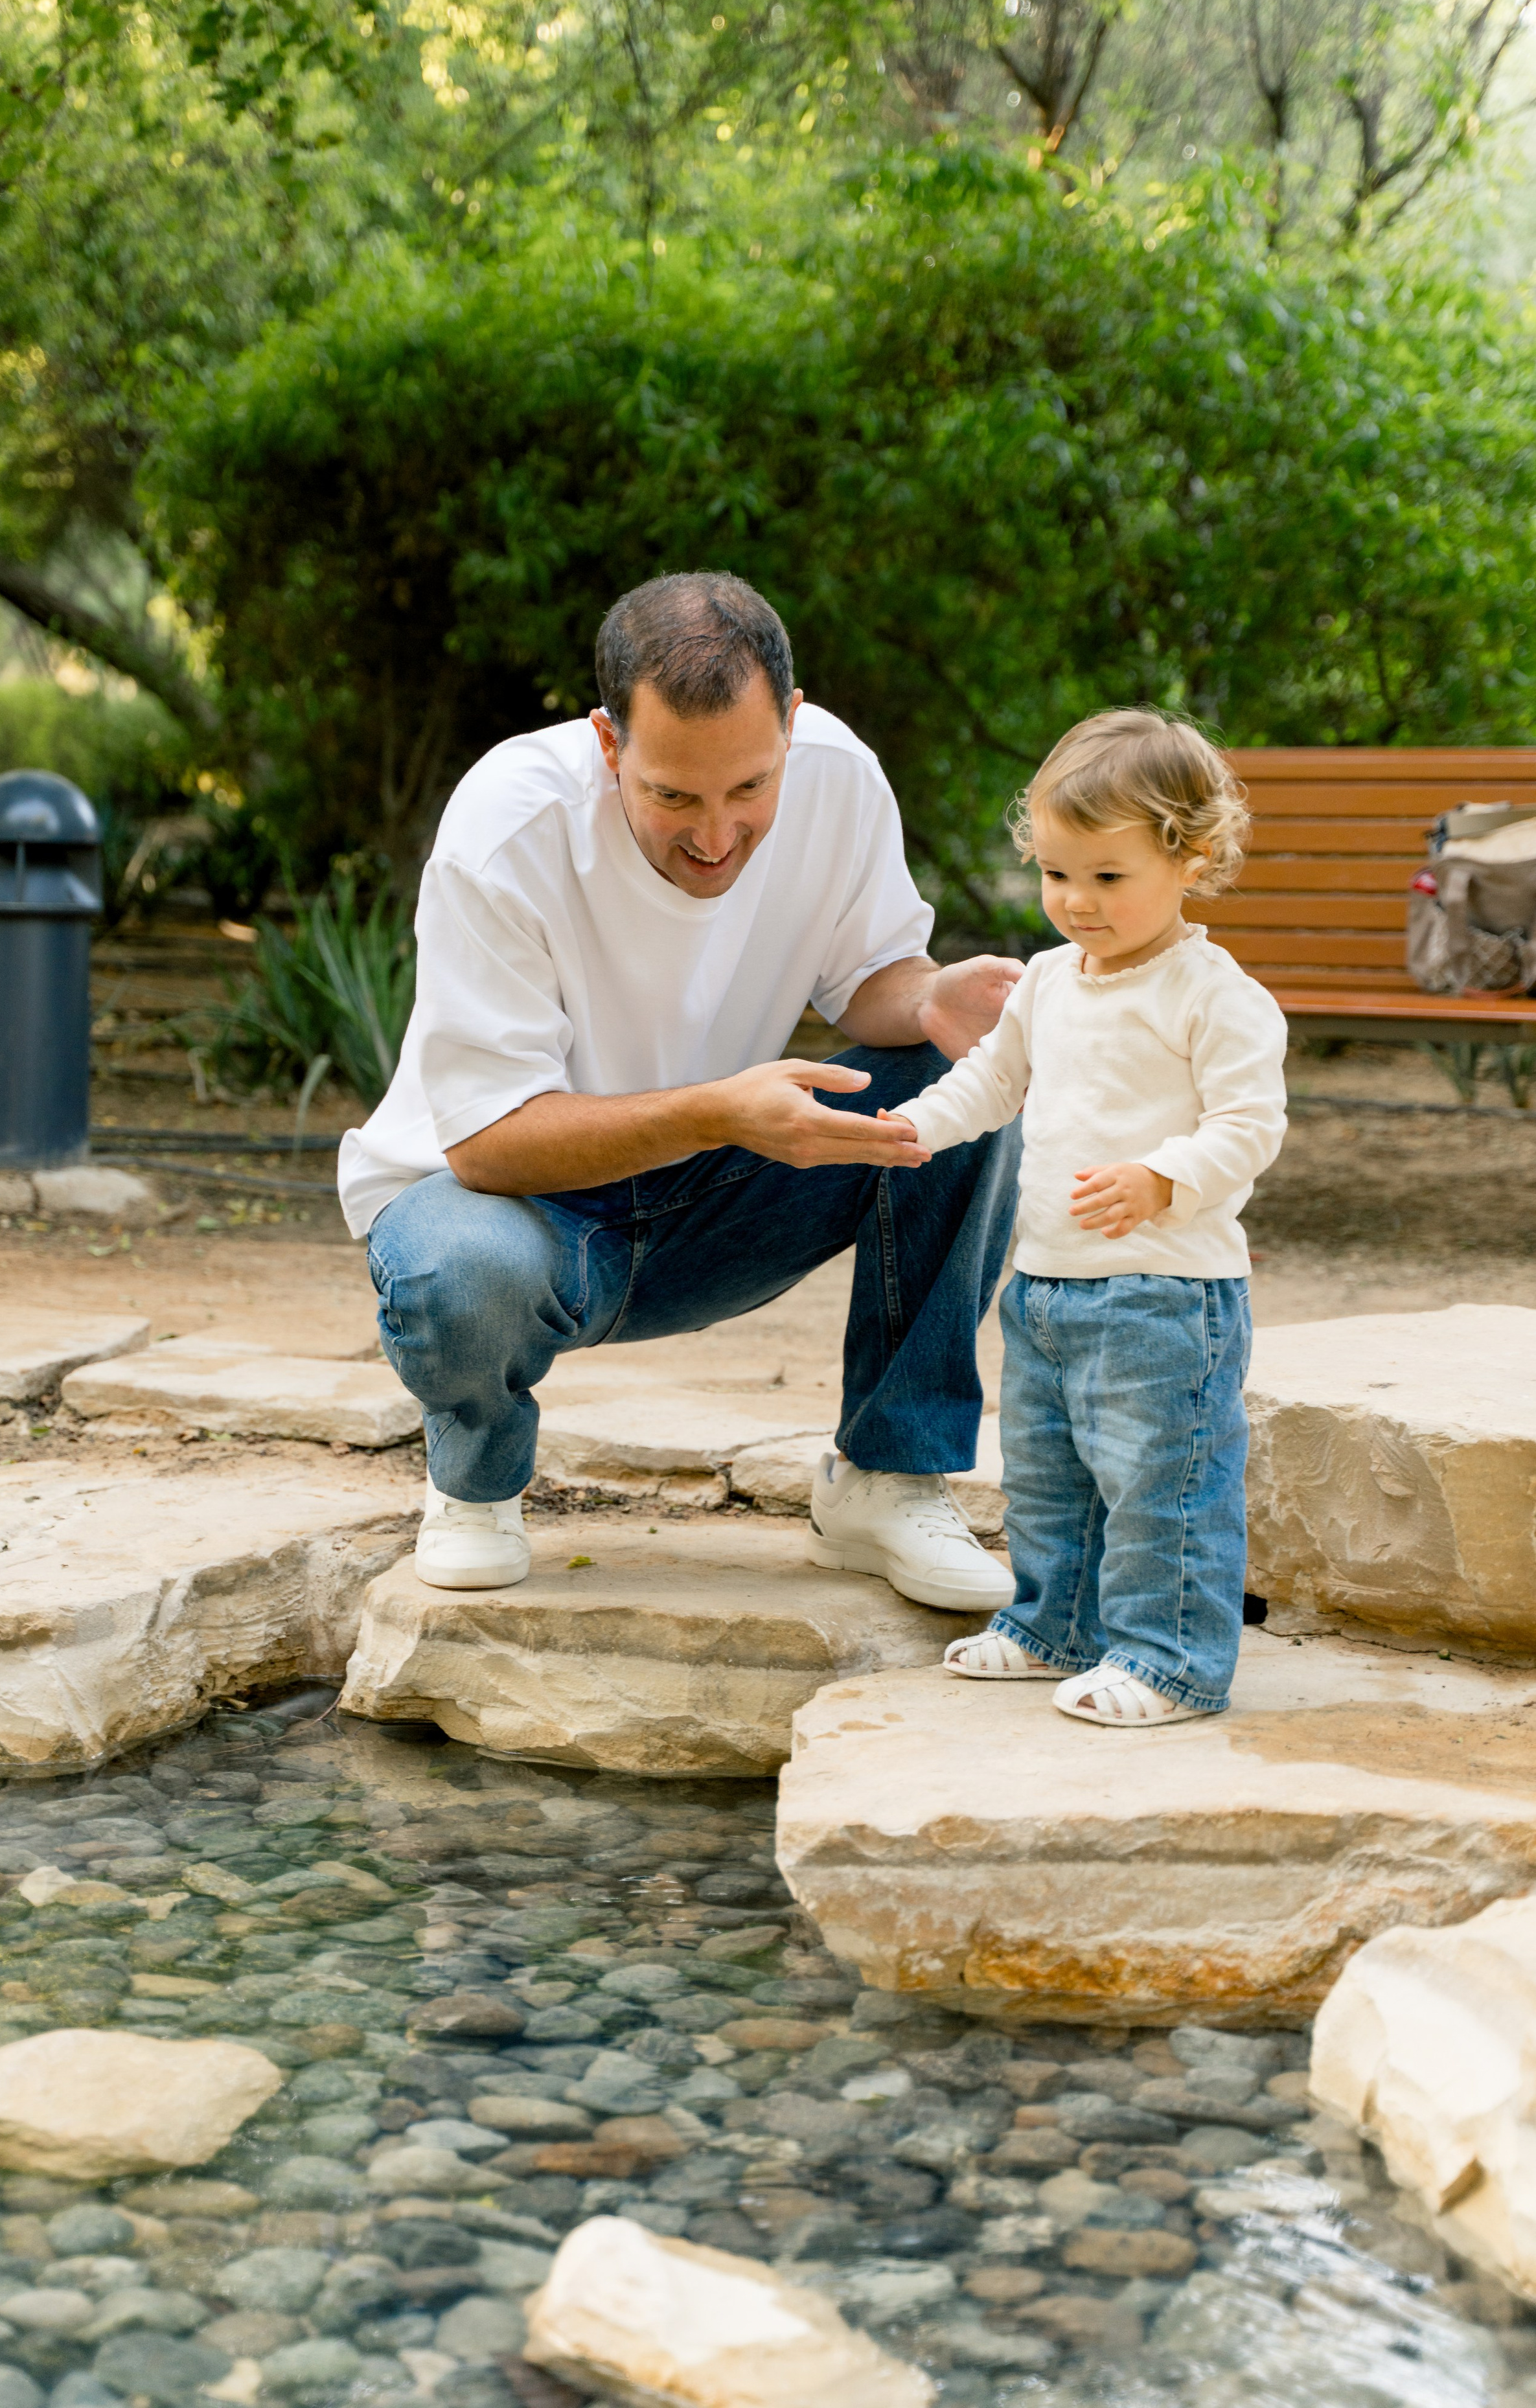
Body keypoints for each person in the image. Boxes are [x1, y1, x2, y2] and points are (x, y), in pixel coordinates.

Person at [338, 569, 1026, 1609]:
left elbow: (869, 980)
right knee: (457, 1268)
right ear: (609, 743)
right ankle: (476, 1485)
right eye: (673, 797)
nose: (715, 836)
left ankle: (887, 1480)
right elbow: (486, 1145)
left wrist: (932, 999)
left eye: (751, 788)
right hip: (514, 1214)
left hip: (718, 1201)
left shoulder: (840, 775)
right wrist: (719, 1112)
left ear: (791, 722)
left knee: (963, 1082)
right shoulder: (509, 822)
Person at [886, 709, 1287, 1727]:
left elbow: (1249, 1125)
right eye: (1058, 873)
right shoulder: (1049, 980)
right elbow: (993, 1079)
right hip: (1047, 1288)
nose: (1076, 900)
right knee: (1047, 1477)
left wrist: (1163, 1176)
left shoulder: (1214, 994)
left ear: (1191, 860)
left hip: (1168, 1294)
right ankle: (1053, 1627)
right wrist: (916, 1127)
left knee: (1163, 1485)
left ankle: (1172, 1660)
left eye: (1108, 876)